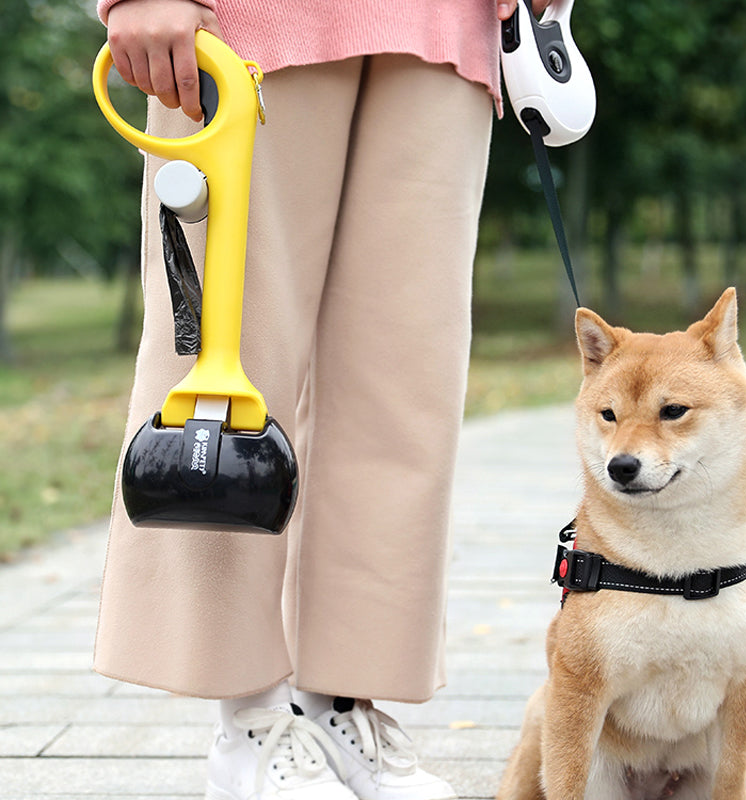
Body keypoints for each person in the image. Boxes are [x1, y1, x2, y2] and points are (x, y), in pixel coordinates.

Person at [95, 1, 550, 799]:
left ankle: (343, 705)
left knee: (404, 387)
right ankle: (248, 719)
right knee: (229, 367)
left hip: (445, 28)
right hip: (247, 21)